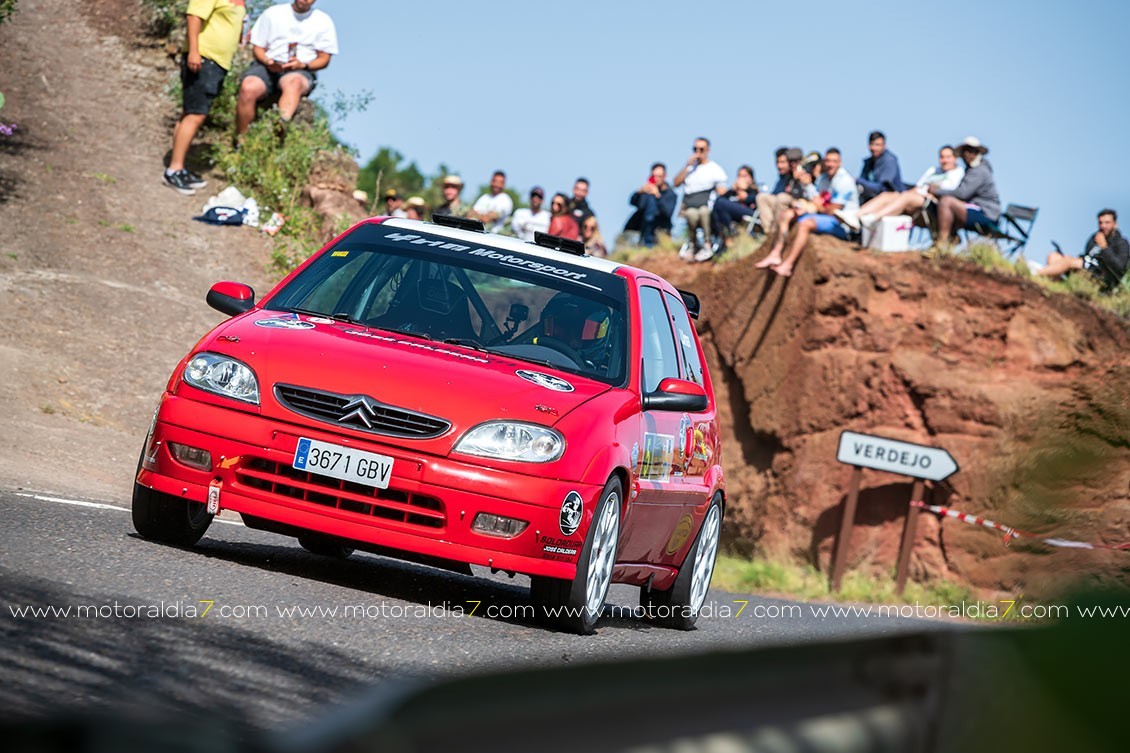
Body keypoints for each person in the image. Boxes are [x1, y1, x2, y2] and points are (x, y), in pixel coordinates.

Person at [163, 0, 247, 195]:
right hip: (204, 58)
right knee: (196, 114)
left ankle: (178, 167)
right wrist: (194, 51)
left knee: (190, 112)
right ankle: (173, 170)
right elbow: (194, 16)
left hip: (217, 63)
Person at [236, 0, 338, 136]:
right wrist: (268, 61)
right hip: (268, 65)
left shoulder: (323, 21)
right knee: (249, 87)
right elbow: (258, 46)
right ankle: (242, 139)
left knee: (293, 82)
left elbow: (324, 59)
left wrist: (303, 65)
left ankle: (279, 126)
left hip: (301, 69)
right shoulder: (273, 13)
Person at [755, 148, 859, 277]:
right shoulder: (824, 179)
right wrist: (807, 189)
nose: (830, 164)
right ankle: (776, 253)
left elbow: (832, 210)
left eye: (834, 161)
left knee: (805, 223)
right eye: (828, 161)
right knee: (786, 215)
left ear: (840, 163)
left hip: (842, 224)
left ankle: (788, 264)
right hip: (823, 215)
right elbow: (816, 200)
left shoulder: (844, 181)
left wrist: (813, 205)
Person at [854, 145, 964, 228]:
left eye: (948, 157)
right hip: (916, 196)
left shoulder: (958, 172)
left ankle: (873, 218)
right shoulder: (933, 170)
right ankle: (856, 215)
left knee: (905, 197)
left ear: (955, 158)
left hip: (933, 205)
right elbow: (918, 186)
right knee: (889, 195)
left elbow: (946, 191)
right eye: (942, 157)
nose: (944, 160)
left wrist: (929, 190)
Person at [930, 136, 1001, 244]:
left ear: (977, 152)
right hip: (977, 209)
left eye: (970, 151)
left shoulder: (979, 171)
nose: (966, 154)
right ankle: (951, 238)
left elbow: (962, 193)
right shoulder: (971, 170)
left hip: (986, 214)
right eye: (964, 151)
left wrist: (936, 191)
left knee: (946, 202)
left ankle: (942, 243)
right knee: (940, 204)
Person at [1038, 209, 1130, 291]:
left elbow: (1120, 268)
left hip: (1101, 276)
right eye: (1100, 223)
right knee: (1054, 256)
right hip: (1084, 267)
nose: (1103, 226)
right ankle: (1053, 289)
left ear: (1115, 224)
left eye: (1107, 222)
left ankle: (1036, 274)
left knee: (1069, 262)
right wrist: (1072, 259)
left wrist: (1104, 247)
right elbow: (1086, 256)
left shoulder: (1122, 243)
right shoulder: (1094, 238)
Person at [673, 137, 727, 261]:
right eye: (695, 149)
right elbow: (676, 183)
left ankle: (707, 245)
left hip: (707, 206)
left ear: (708, 150)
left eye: (701, 149)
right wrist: (687, 166)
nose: (698, 152)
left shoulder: (714, 169)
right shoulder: (690, 169)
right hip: (690, 205)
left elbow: (722, 189)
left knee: (703, 212)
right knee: (691, 214)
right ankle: (694, 244)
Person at [624, 162, 677, 247]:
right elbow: (633, 202)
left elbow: (667, 212)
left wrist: (657, 196)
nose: (656, 179)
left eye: (659, 176)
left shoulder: (670, 194)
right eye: (654, 176)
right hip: (644, 230)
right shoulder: (647, 193)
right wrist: (639, 192)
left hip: (660, 230)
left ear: (664, 177)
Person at [755, 147, 805, 238]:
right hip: (780, 202)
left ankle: (776, 232)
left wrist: (797, 179)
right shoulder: (782, 178)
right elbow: (774, 194)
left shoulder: (802, 173)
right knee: (761, 197)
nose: (779, 166)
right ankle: (769, 233)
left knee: (782, 197)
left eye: (783, 162)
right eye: (777, 162)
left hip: (798, 202)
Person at [711, 164, 758, 247]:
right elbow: (719, 202)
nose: (741, 178)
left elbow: (757, 200)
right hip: (733, 217)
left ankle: (728, 237)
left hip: (749, 213)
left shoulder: (754, 191)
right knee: (718, 205)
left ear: (751, 178)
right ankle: (723, 237)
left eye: (744, 176)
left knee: (721, 203)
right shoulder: (733, 192)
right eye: (739, 176)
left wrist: (746, 196)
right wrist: (732, 190)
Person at [856, 131, 904, 203]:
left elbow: (882, 188)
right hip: (872, 197)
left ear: (884, 146)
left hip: (892, 199)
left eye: (877, 145)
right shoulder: (869, 162)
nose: (874, 148)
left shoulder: (889, 161)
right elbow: (863, 180)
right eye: (872, 144)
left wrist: (858, 181)